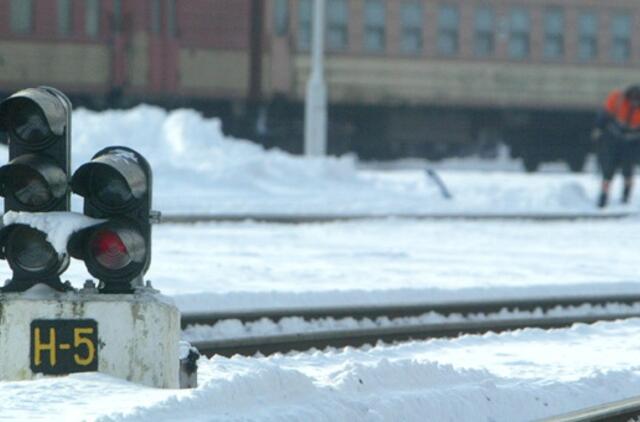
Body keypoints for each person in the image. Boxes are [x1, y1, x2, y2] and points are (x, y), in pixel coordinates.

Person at [593, 85, 640, 208]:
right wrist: (598, 128)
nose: (635, 103)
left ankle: (626, 196)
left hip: (632, 141)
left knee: (628, 170)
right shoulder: (617, 99)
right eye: (634, 100)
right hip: (614, 138)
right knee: (608, 169)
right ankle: (603, 196)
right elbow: (604, 114)